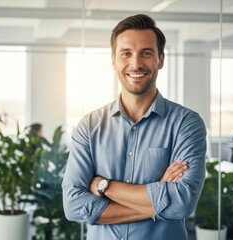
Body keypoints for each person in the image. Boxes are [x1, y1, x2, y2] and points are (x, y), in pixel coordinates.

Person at [62, 14, 207, 240]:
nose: (136, 63)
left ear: (160, 60)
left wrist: (103, 186)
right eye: (126, 53)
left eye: (146, 53)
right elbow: (73, 205)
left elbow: (182, 203)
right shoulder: (89, 126)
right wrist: (158, 198)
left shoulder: (186, 124)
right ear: (114, 60)